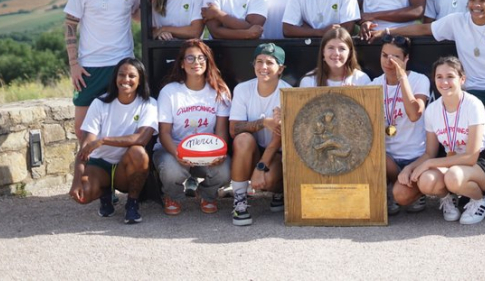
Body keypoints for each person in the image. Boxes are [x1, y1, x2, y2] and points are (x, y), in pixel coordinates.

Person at [369, 0, 485, 221]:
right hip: (473, 87)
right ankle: (457, 187)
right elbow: (423, 30)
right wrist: (385, 33)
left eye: (483, 0)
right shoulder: (457, 21)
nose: (476, 5)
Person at [392, 57, 485, 225]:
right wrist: (409, 168)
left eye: (450, 76)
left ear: (462, 79)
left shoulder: (473, 105)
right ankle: (448, 199)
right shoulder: (432, 110)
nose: (444, 82)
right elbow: (429, 153)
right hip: (450, 163)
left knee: (453, 176)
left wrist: (429, 164)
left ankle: (480, 200)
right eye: (439, 77)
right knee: (426, 181)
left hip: (478, 163)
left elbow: (471, 157)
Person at [64, 0, 140, 142]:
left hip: (122, 64)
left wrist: (153, 4)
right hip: (90, 66)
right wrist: (73, 64)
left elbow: (137, 16)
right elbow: (70, 25)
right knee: (82, 132)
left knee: (120, 128)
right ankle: (85, 172)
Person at [68, 57, 158, 225]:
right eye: (121, 75)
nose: (126, 80)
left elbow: (142, 138)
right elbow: (85, 147)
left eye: (132, 76)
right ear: (115, 78)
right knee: (83, 195)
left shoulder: (149, 104)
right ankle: (105, 194)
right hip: (100, 164)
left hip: (125, 168)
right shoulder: (99, 103)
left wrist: (104, 140)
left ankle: (132, 203)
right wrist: (76, 182)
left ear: (140, 80)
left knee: (138, 152)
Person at [154, 39, 232, 216]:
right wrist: (178, 153)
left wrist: (220, 152)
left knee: (225, 169)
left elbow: (221, 131)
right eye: (190, 58)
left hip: (206, 152)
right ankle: (172, 196)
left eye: (201, 58)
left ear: (207, 61)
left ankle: (208, 195)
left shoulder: (220, 91)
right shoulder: (170, 92)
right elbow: (164, 133)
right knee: (171, 170)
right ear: (181, 64)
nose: (196, 62)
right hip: (173, 150)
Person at [227, 43, 289, 226]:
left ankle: (280, 190)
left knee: (268, 181)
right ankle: (239, 200)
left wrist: (260, 169)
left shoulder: (288, 92)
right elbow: (234, 129)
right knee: (242, 139)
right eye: (259, 62)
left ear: (280, 68)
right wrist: (264, 123)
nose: (263, 67)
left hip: (276, 153)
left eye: (270, 62)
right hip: (252, 150)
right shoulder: (242, 89)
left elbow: (278, 139)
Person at [369, 35, 430, 215]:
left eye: (395, 57)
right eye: (384, 55)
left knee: (402, 196)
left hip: (415, 157)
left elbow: (414, 115)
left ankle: (414, 190)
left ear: (406, 60)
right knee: (374, 156)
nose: (388, 61)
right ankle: (390, 187)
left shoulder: (419, 80)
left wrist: (402, 78)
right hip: (389, 160)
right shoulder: (375, 84)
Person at [299, 27, 371, 87]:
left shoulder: (361, 79)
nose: (336, 53)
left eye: (342, 49)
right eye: (331, 48)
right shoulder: (309, 81)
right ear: (323, 52)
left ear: (350, 53)